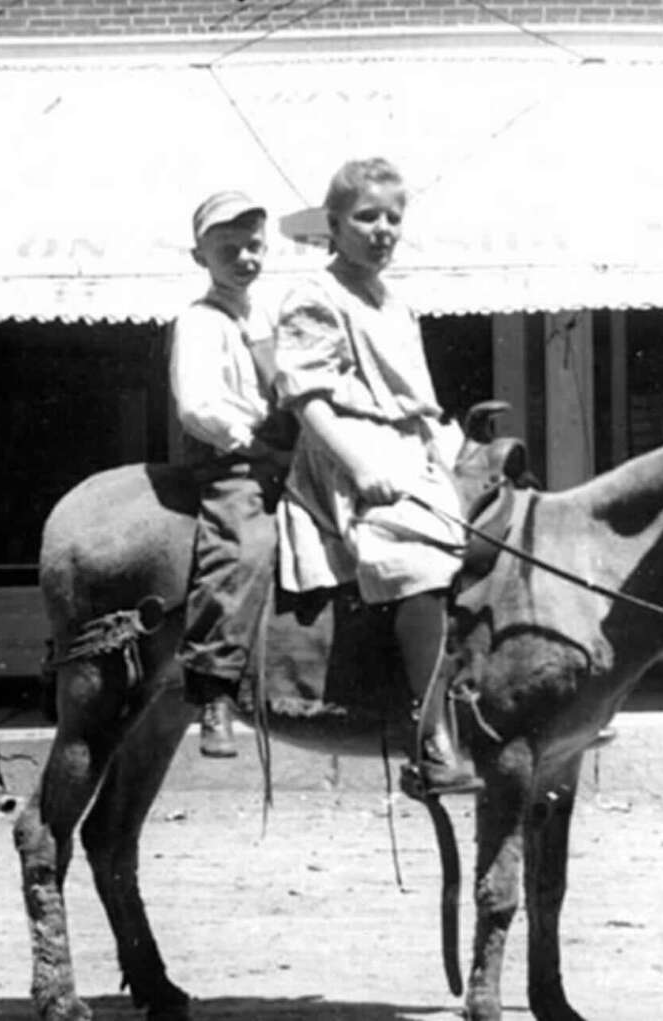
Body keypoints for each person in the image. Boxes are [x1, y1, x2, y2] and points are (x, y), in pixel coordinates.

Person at [271, 157, 481, 797]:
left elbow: (417, 400)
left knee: (506, 529)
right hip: (350, 450)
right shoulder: (316, 297)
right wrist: (360, 466)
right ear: (333, 225)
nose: (382, 229)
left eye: (394, 217)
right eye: (366, 217)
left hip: (415, 446)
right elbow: (308, 399)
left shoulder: (396, 303)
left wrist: (461, 452)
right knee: (416, 556)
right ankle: (430, 735)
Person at [170, 190, 294, 758]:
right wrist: (247, 440)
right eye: (228, 250)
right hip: (234, 459)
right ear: (201, 258)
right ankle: (215, 687)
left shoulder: (267, 316)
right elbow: (196, 406)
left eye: (253, 247)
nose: (245, 259)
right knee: (242, 547)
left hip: (287, 452)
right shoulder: (200, 322)